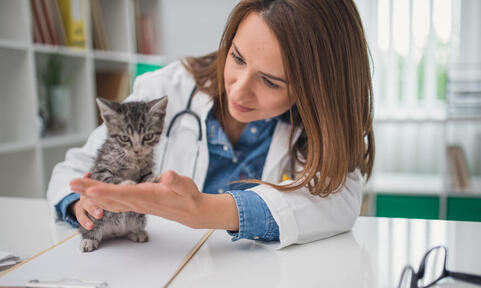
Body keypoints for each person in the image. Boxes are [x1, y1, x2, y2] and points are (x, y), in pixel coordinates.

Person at [47, 0, 374, 249]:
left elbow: (340, 202)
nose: (239, 89)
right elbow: (72, 170)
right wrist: (82, 204)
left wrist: (207, 210)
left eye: (271, 82)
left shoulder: (317, 125)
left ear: (317, 90)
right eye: (237, 58)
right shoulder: (164, 90)